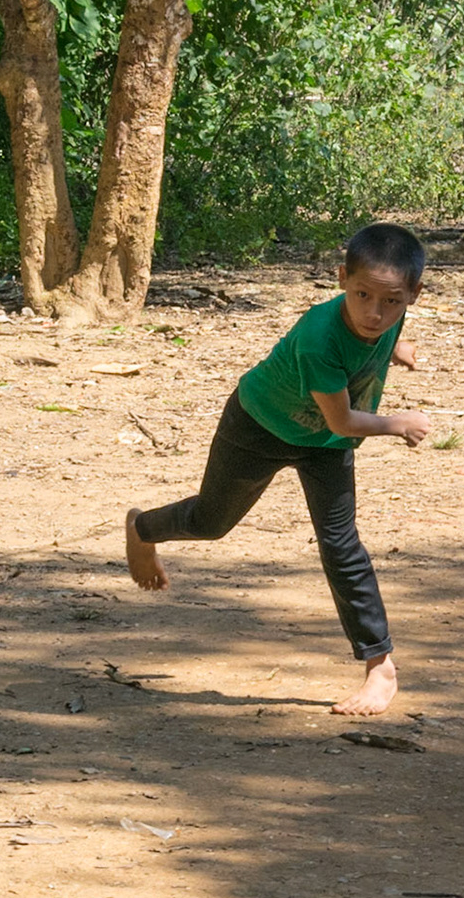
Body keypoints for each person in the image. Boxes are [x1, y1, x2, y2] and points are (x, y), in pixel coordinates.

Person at [123, 223, 430, 716]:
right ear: (341, 280)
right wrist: (399, 423)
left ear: (414, 294)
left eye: (391, 301)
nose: (375, 312)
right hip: (259, 425)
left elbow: (376, 337)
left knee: (341, 544)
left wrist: (395, 347)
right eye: (362, 295)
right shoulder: (318, 338)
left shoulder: (388, 313)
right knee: (210, 522)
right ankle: (143, 528)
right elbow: (343, 418)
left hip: (323, 446)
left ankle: (380, 667)